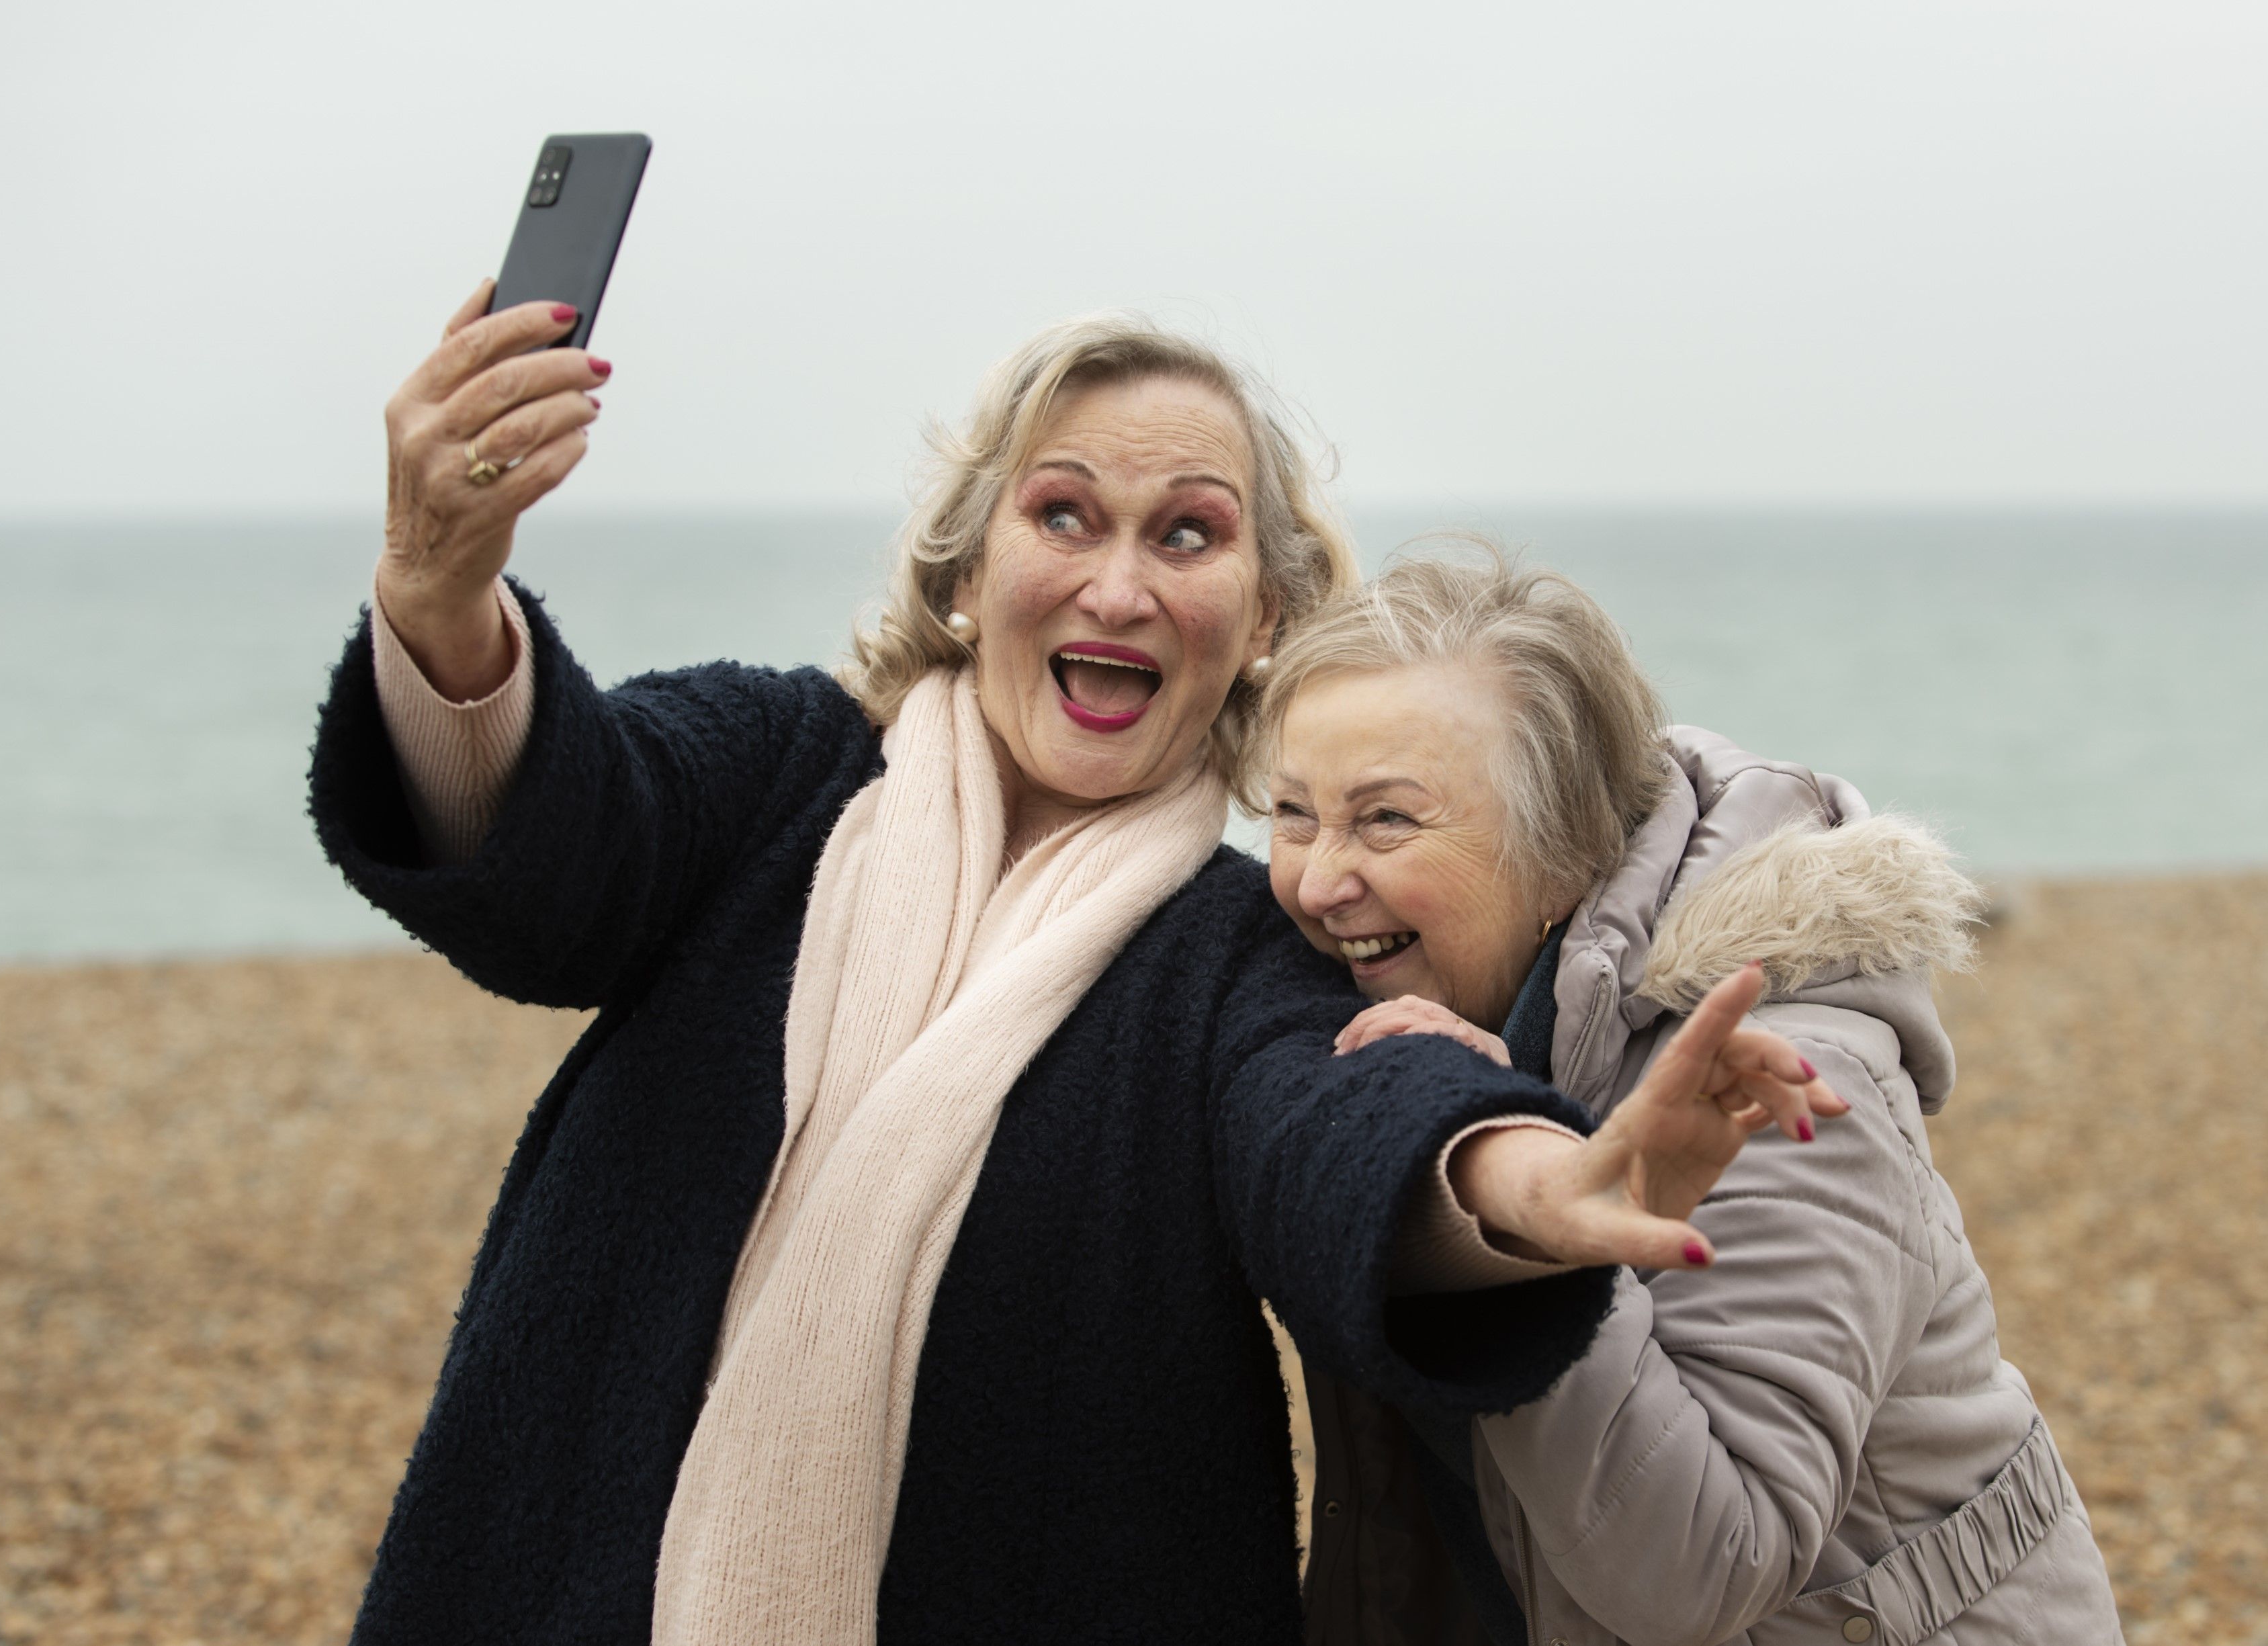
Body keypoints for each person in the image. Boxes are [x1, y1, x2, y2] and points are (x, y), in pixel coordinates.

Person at [307, 292, 1840, 1646]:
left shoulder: (1243, 950)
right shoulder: (775, 774)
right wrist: (442, 593)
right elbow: (562, 855)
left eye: (1187, 533)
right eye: (1064, 515)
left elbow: (1342, 1121)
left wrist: (1526, 1189)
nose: (1118, 588)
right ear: (968, 569)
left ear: (1259, 623)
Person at [1258, 550, 2123, 1646]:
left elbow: (1702, 1570)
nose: (1318, 880)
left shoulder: (1782, 1066)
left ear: (1566, 850)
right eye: (1292, 812)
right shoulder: (1411, 993)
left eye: (1386, 820)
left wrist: (1523, 1197)